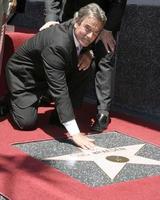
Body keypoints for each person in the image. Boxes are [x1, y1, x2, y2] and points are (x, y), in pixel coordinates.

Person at [6, 3, 107, 149]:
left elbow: (91, 44)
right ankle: (11, 101)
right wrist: (75, 133)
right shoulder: (58, 44)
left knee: (85, 65)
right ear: (76, 21)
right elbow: (59, 89)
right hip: (25, 76)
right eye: (87, 28)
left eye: (96, 32)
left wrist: (89, 53)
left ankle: (59, 115)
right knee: (26, 123)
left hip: (50, 73)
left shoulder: (79, 32)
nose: (90, 36)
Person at [40, 0, 127, 132]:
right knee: (67, 56)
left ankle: (103, 113)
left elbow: (118, 2)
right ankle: (60, 107)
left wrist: (108, 28)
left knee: (103, 59)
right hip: (74, 15)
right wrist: (51, 18)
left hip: (104, 17)